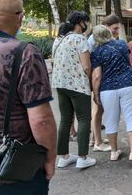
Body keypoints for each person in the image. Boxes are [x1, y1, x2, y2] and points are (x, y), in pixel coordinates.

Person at [0, 0, 57, 194]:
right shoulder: (23, 53)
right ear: (19, 18)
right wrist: (50, 157)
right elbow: (41, 120)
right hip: (11, 171)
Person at [91, 25, 132, 162]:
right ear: (108, 33)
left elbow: (97, 76)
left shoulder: (96, 53)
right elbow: (127, 58)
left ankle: (114, 152)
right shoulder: (121, 44)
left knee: (110, 119)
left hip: (107, 88)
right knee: (131, 116)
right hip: (128, 83)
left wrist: (96, 94)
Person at [52, 11, 97, 169]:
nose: (87, 25)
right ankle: (82, 157)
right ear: (81, 23)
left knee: (65, 119)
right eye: (86, 22)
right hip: (77, 85)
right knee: (84, 119)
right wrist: (92, 80)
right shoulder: (80, 39)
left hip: (60, 84)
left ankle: (64, 157)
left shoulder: (59, 39)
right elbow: (86, 66)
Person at [88, 14, 123, 152]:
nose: (116, 32)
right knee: (97, 110)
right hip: (98, 78)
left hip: (102, 78)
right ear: (106, 27)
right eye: (114, 28)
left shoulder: (105, 38)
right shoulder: (94, 39)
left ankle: (94, 138)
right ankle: (97, 142)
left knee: (98, 110)